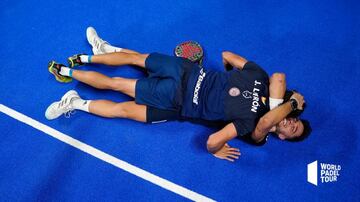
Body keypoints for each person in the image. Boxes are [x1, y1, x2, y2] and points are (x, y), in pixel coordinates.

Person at [45, 27, 311, 162]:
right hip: (186, 72)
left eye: (292, 128)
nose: (291, 122)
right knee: (131, 66)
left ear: (284, 138)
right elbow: (277, 78)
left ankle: (71, 76)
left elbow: (262, 122)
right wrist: (285, 106)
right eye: (295, 119)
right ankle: (91, 55)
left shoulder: (253, 127)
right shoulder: (262, 80)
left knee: (121, 89)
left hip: (177, 98)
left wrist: (285, 107)